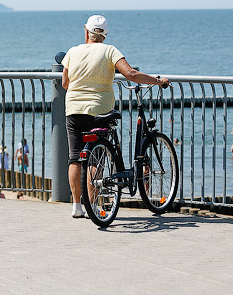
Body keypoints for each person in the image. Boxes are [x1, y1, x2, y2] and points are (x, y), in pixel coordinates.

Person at [62, 14, 170, 219]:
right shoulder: (109, 50)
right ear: (105, 35)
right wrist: (157, 80)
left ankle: (77, 206)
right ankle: (93, 206)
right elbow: (130, 74)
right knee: (96, 158)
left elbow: (65, 83)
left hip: (74, 109)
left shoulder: (72, 52)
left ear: (86, 31)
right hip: (99, 111)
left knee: (75, 158)